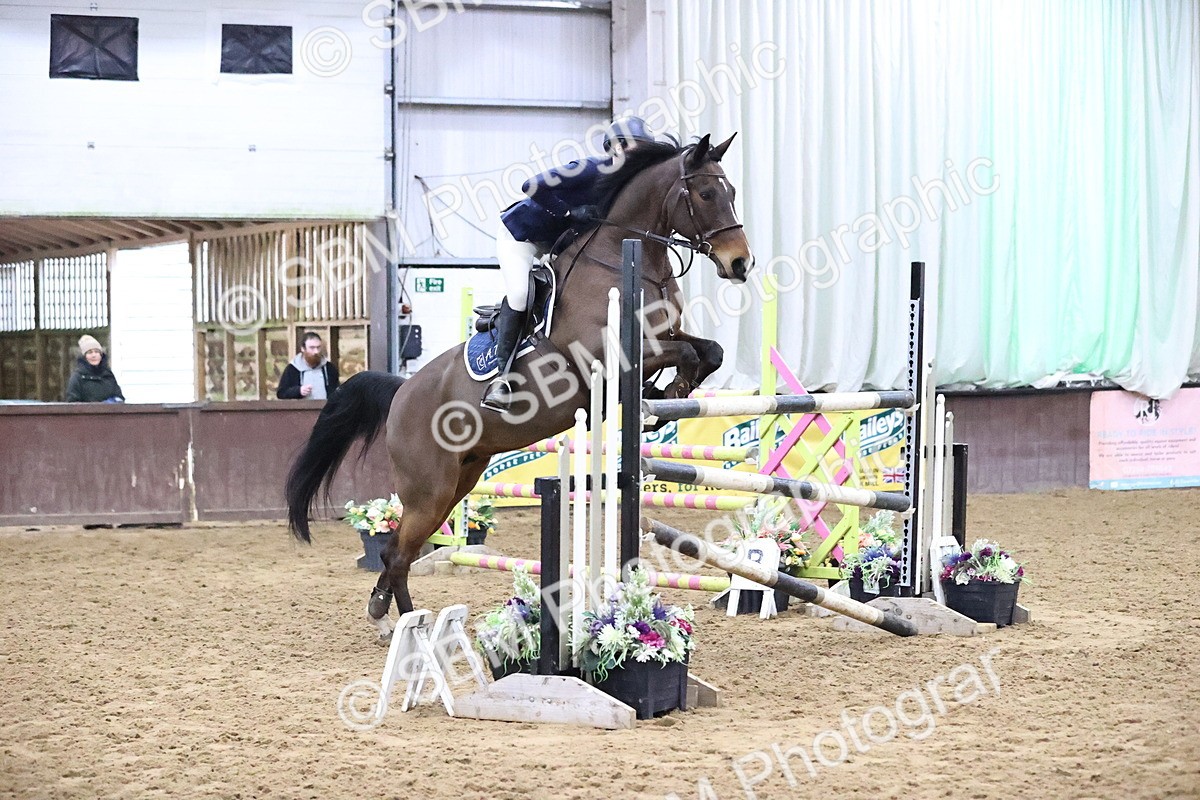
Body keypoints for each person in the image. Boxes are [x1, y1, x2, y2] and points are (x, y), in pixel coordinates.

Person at [482, 116, 659, 412]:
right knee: (520, 294)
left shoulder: (625, 189)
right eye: (636, 148)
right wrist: (567, 213)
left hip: (557, 245)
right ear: (616, 147)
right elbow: (532, 185)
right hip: (522, 236)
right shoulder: (590, 168)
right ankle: (502, 378)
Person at [277, 332, 340, 400]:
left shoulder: (329, 368)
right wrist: (298, 391)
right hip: (302, 406)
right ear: (303, 348)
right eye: (312, 348)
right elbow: (281, 393)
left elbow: (337, 391)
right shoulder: (292, 368)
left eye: (318, 347)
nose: (316, 351)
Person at [65, 335, 125, 403]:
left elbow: (120, 398)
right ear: (84, 356)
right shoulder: (77, 377)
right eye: (90, 352)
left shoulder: (108, 375)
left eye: (96, 352)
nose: (94, 355)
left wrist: (109, 403)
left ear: (101, 355)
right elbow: (72, 402)